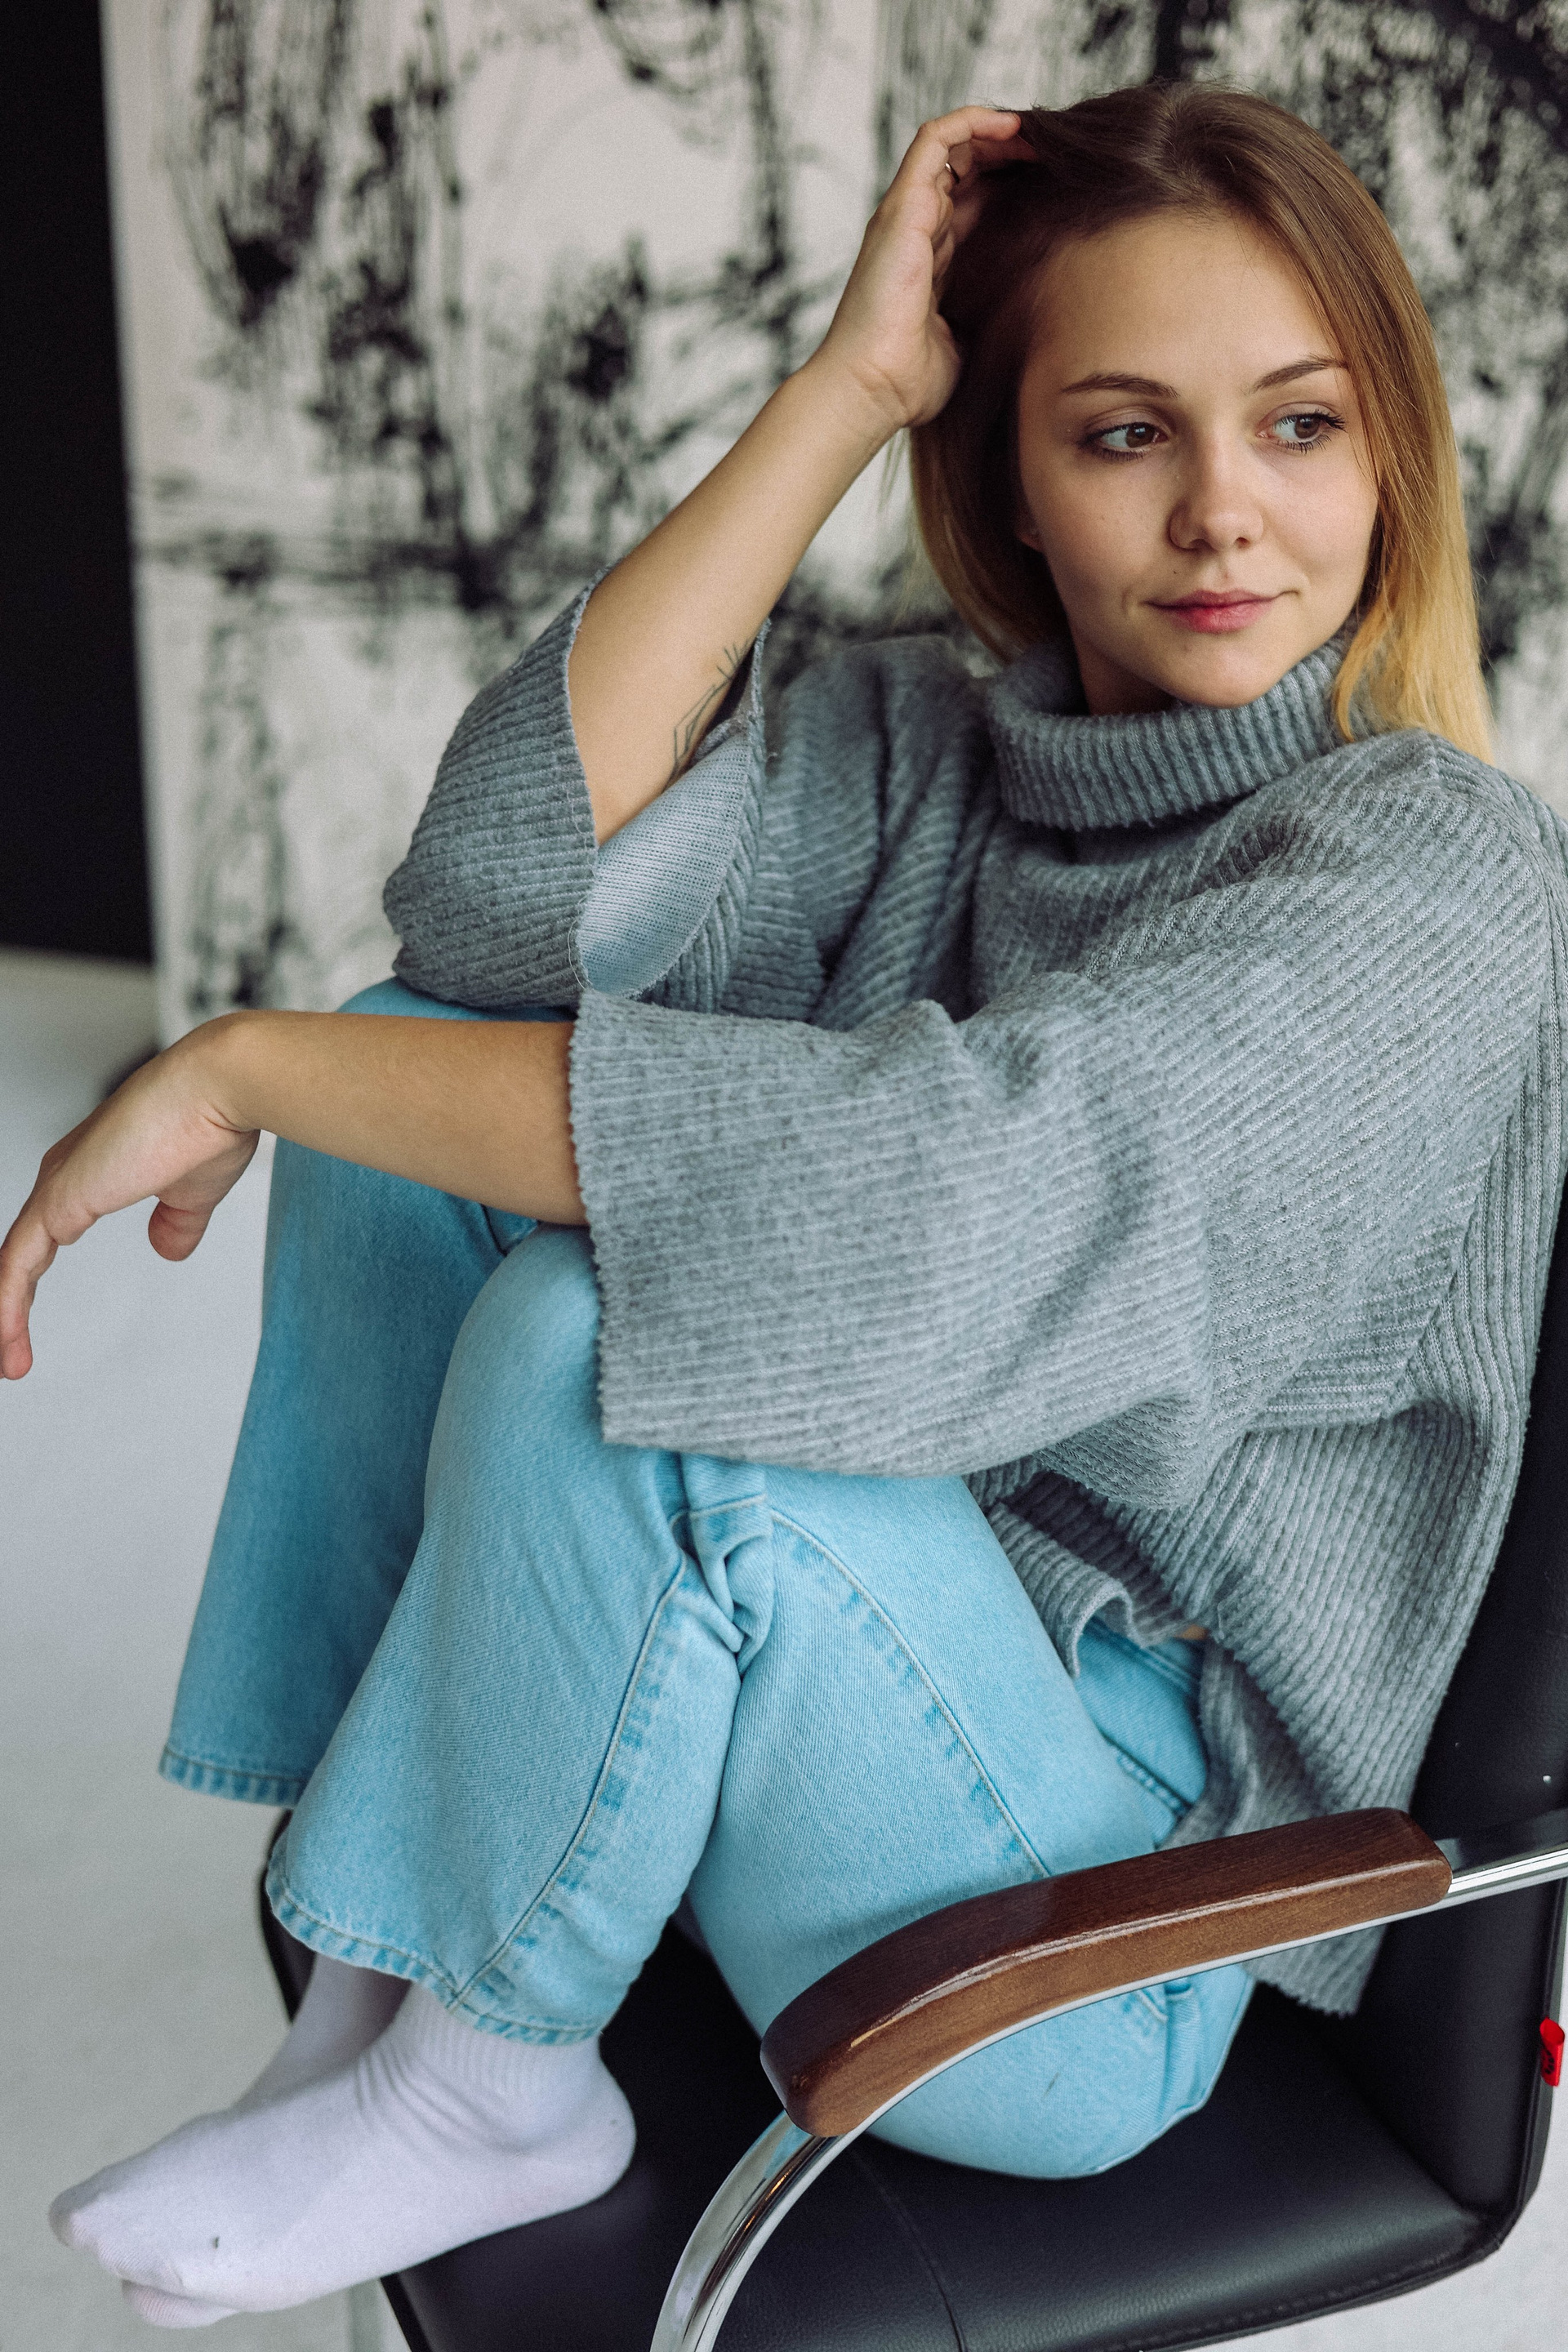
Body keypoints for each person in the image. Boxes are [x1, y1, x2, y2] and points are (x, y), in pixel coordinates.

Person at [6, 78, 1566, 2328]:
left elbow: (948, 1216)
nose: (1225, 509)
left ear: (1391, 455)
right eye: (1123, 433)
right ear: (1009, 477)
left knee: (606, 1338)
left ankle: (487, 2078)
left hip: (1085, 1928)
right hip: (854, 1694)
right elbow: (494, 917)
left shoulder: (1433, 877)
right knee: (408, 1084)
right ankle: (384, 1967)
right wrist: (842, 394)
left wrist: (240, 1061)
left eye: (1301, 425)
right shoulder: (933, 750)